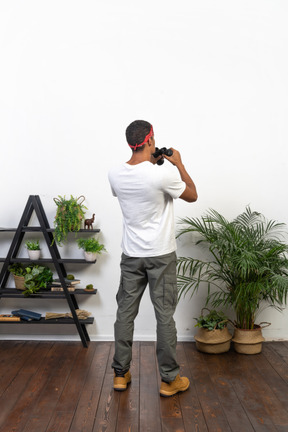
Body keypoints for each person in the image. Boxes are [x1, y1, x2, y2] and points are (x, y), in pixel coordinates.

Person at [108, 120, 197, 397]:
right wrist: (178, 164)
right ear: (149, 140)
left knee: (125, 312)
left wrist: (152, 161)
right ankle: (169, 380)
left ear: (130, 142)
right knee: (164, 316)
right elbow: (192, 195)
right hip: (160, 255)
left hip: (132, 255)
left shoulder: (114, 174)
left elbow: (139, 183)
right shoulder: (162, 176)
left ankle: (120, 375)